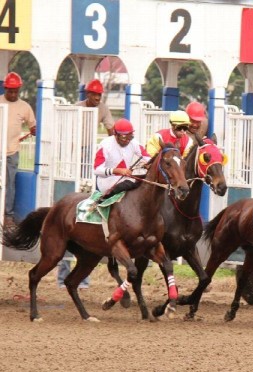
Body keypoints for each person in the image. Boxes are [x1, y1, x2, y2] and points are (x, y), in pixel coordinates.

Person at [57, 119, 150, 289]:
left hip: (127, 180)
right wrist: (117, 170)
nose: (127, 140)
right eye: (123, 137)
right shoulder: (105, 145)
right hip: (108, 183)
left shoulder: (134, 143)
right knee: (130, 183)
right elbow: (97, 169)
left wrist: (146, 163)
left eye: (129, 136)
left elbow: (148, 157)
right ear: (115, 134)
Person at [0, 72, 36, 226]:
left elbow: (33, 126)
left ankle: (7, 215)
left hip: (12, 152)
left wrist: (32, 130)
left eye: (15, 91)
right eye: (10, 91)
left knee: (9, 184)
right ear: (5, 88)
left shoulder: (25, 106)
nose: (13, 94)